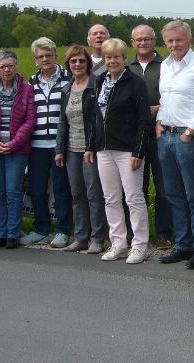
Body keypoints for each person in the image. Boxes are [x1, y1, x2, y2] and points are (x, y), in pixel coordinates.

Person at [156, 20, 194, 270]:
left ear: (189, 40)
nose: (174, 45)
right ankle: (183, 245)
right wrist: (159, 121)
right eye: (169, 41)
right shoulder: (165, 65)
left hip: (187, 138)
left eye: (178, 40)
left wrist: (191, 132)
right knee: (174, 195)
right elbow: (165, 98)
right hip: (166, 136)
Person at [94, 39, 152, 264]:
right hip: (104, 149)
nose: (112, 61)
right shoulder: (100, 81)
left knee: (134, 198)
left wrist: (138, 151)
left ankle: (139, 245)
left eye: (116, 57)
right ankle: (118, 242)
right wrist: (93, 146)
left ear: (124, 58)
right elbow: (95, 118)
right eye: (108, 57)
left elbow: (144, 119)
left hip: (128, 150)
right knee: (111, 198)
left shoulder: (135, 83)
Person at [0, 50, 36, 249]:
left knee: (13, 190)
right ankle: (0, 232)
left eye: (10, 65)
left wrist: (13, 143)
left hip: (17, 149)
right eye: (3, 66)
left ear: (16, 66)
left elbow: (30, 120)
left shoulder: (27, 90)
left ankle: (13, 233)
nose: (7, 69)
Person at [55, 45, 108, 254]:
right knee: (77, 195)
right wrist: (59, 149)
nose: (77, 64)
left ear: (88, 64)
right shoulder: (67, 89)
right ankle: (81, 237)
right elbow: (62, 122)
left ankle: (98, 238)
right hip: (71, 151)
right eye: (73, 61)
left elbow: (99, 120)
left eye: (81, 61)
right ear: (68, 64)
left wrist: (91, 146)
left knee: (94, 194)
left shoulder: (96, 85)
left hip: (91, 150)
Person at [21, 37, 73, 248]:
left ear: (56, 56)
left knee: (61, 188)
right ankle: (41, 229)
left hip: (61, 145)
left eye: (48, 55)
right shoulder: (31, 83)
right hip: (36, 145)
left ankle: (63, 230)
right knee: (38, 189)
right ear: (35, 60)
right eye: (40, 56)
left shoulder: (69, 79)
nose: (45, 59)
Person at [128, 24, 173, 249]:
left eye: (147, 39)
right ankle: (138, 233)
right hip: (135, 136)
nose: (143, 43)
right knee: (137, 187)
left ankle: (164, 233)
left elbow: (173, 95)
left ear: (154, 42)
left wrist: (155, 110)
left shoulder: (167, 65)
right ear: (132, 43)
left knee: (164, 186)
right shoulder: (127, 67)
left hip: (161, 132)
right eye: (139, 40)